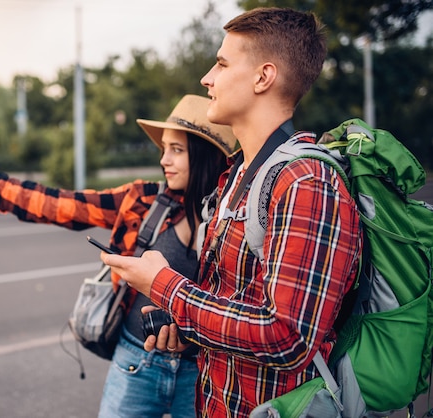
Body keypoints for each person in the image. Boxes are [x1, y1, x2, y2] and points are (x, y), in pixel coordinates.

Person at [101, 8, 363, 418]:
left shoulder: (305, 183)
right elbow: (238, 304)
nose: (207, 78)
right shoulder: (238, 174)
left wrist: (165, 286)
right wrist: (187, 328)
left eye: (222, 63)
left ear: (263, 77)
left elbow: (286, 336)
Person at [0, 94, 238, 418]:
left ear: (205, 156)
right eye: (164, 149)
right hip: (136, 362)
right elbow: (57, 204)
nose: (164, 160)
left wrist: (195, 333)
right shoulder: (143, 200)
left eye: (177, 150)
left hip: (205, 372)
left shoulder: (235, 218)